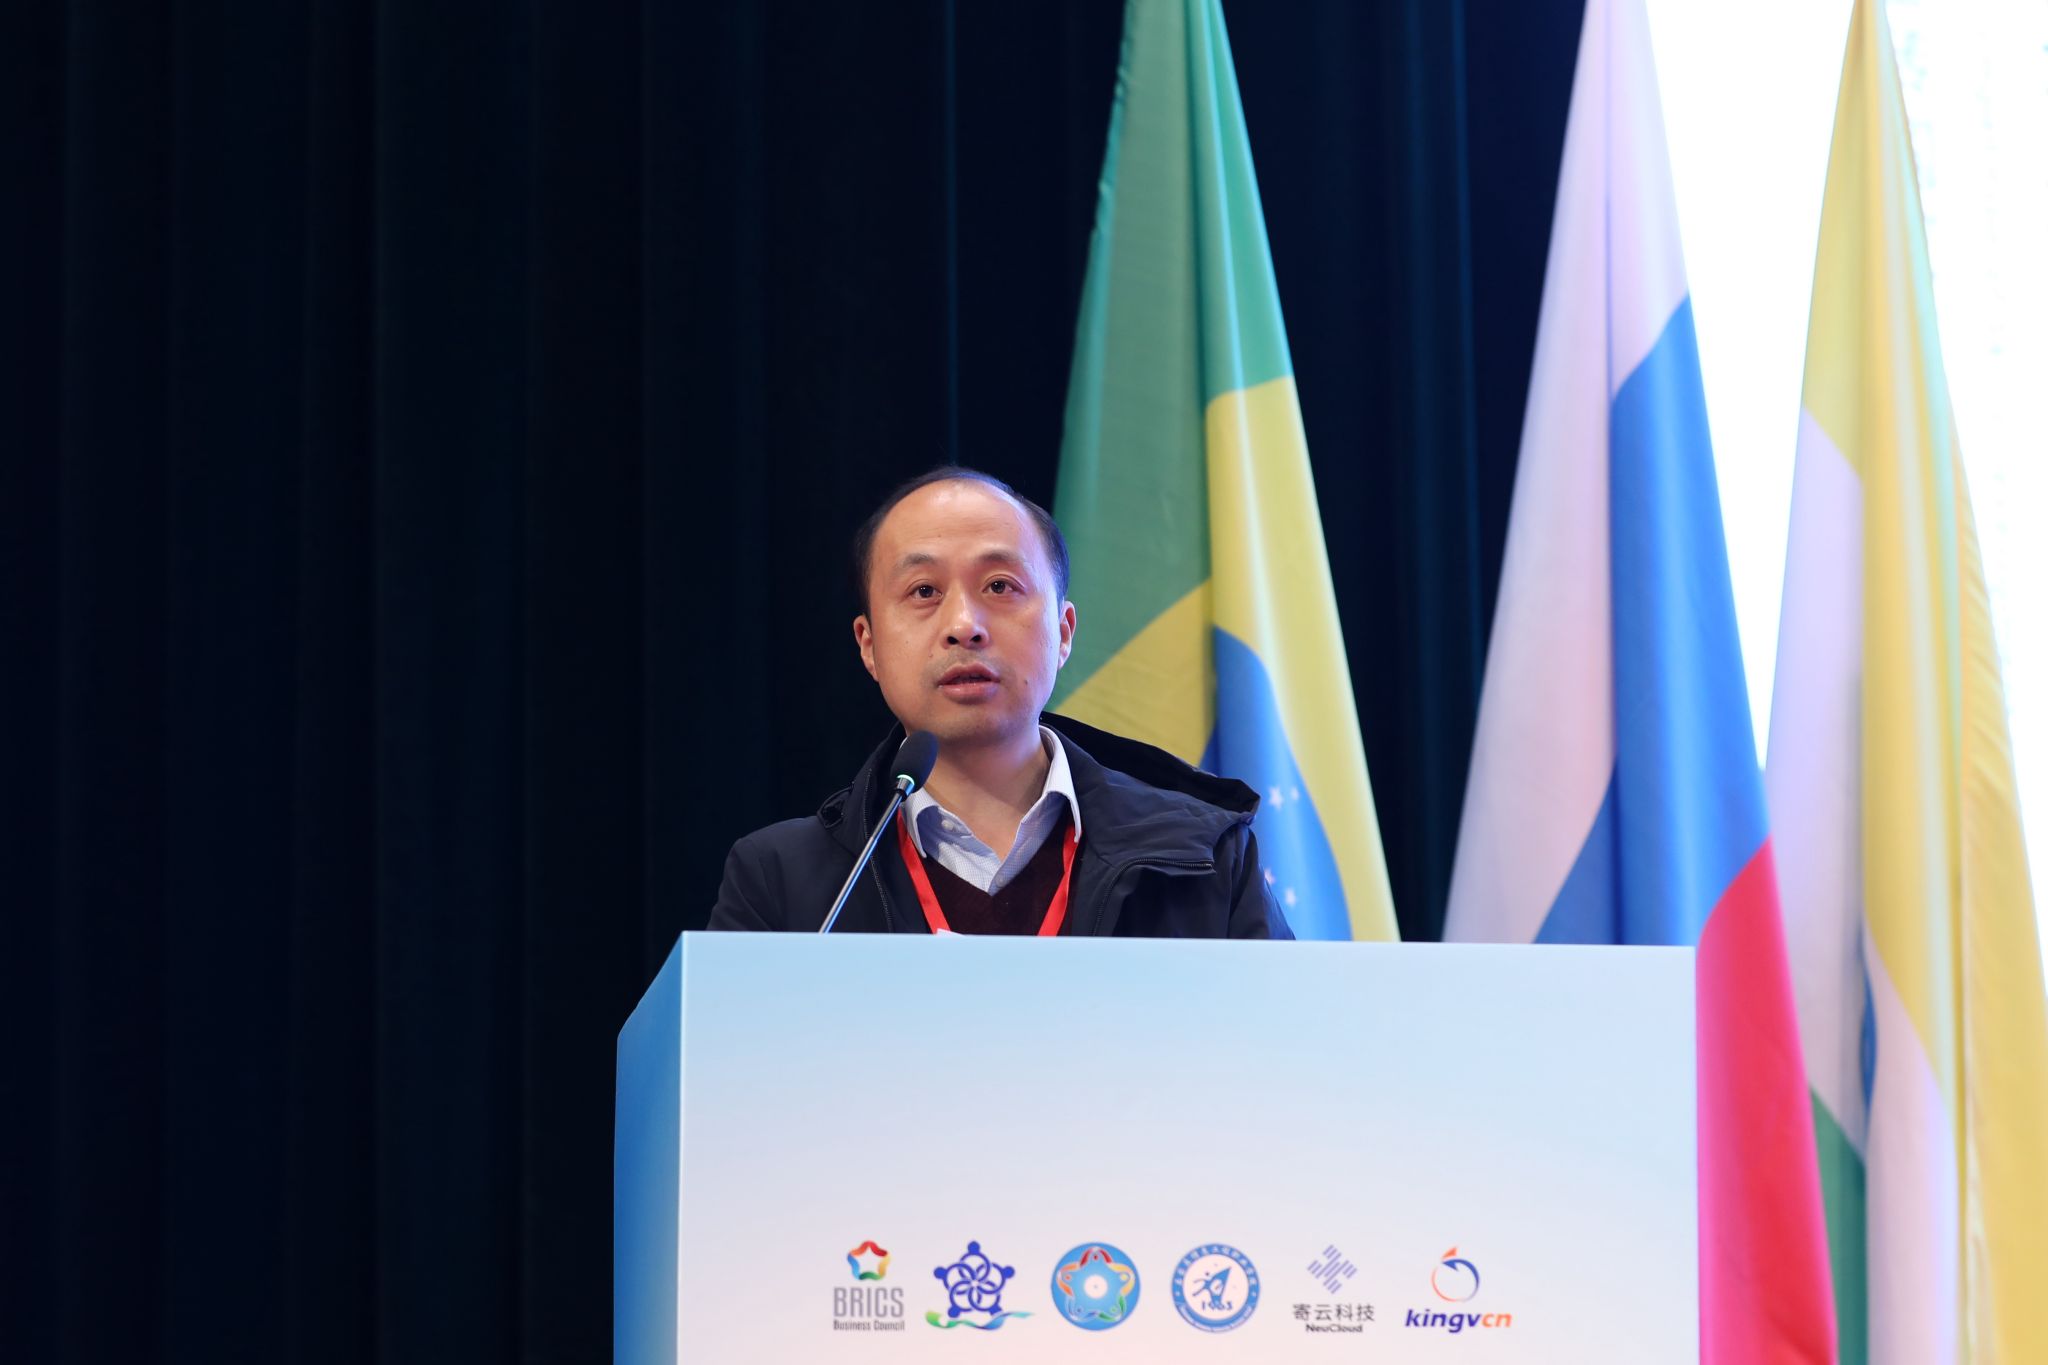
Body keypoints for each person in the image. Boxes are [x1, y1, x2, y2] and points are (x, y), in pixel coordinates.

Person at [706, 467, 1292, 939]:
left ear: (1063, 632)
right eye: (924, 591)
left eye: (1000, 586)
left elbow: (1286, 1046)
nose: (964, 625)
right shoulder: (780, 881)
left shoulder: (1206, 857)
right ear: (869, 646)